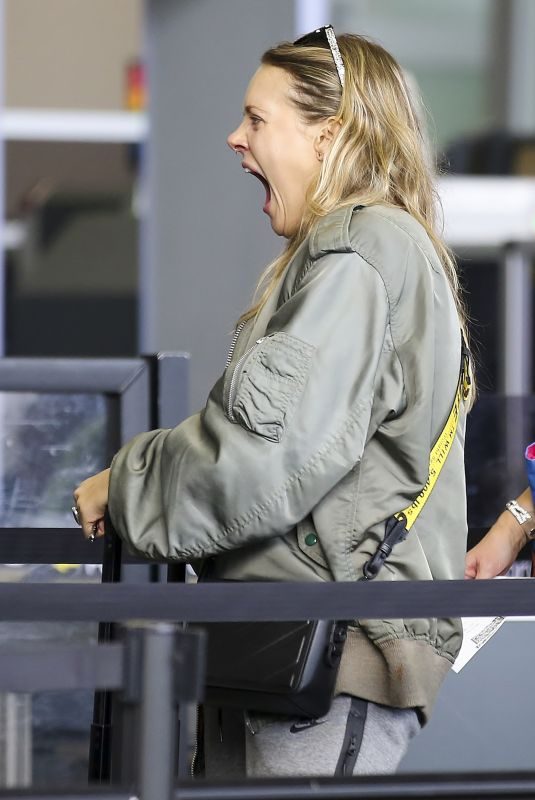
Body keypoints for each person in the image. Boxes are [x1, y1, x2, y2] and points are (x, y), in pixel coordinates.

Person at [73, 26, 474, 778]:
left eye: (257, 119)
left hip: (325, 663)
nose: (234, 137)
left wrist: (123, 483)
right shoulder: (360, 255)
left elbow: (260, 457)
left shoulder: (358, 256)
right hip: (288, 654)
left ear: (330, 136)